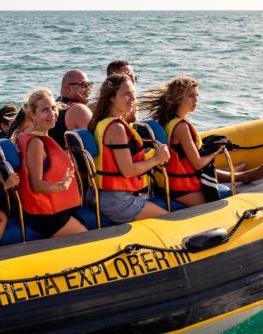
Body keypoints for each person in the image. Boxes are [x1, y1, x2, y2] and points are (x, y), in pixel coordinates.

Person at [141, 76, 263, 207]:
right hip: (182, 189)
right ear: (178, 98)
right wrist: (216, 151)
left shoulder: (167, 121)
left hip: (169, 183)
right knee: (235, 200)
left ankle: (241, 175)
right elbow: (198, 164)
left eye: (197, 95)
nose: (196, 100)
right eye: (191, 96)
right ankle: (241, 176)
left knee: (206, 160)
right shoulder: (181, 127)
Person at [86, 74, 170, 223]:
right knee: (168, 220)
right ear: (111, 97)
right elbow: (128, 170)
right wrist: (157, 158)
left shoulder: (102, 122)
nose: (132, 99)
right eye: (126, 94)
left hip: (100, 195)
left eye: (133, 93)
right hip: (117, 200)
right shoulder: (116, 128)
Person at [15, 89, 87, 237]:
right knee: (86, 238)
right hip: (45, 216)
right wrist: (61, 186)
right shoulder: (36, 143)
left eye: (54, 108)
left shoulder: (27, 133)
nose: (52, 114)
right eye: (45, 110)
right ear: (33, 114)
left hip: (49, 208)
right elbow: (36, 184)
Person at [47, 70, 93, 146]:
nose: (89, 89)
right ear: (67, 88)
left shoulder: (54, 106)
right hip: (68, 157)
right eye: (84, 85)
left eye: (90, 84)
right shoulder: (78, 110)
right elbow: (94, 144)